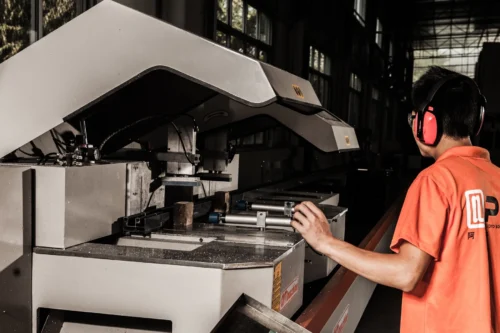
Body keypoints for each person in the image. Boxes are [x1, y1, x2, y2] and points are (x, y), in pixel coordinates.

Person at [292, 66, 499, 333]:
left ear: (428, 122)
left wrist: (325, 242)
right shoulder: (496, 178)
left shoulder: (436, 180)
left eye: (415, 117)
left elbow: (406, 274)